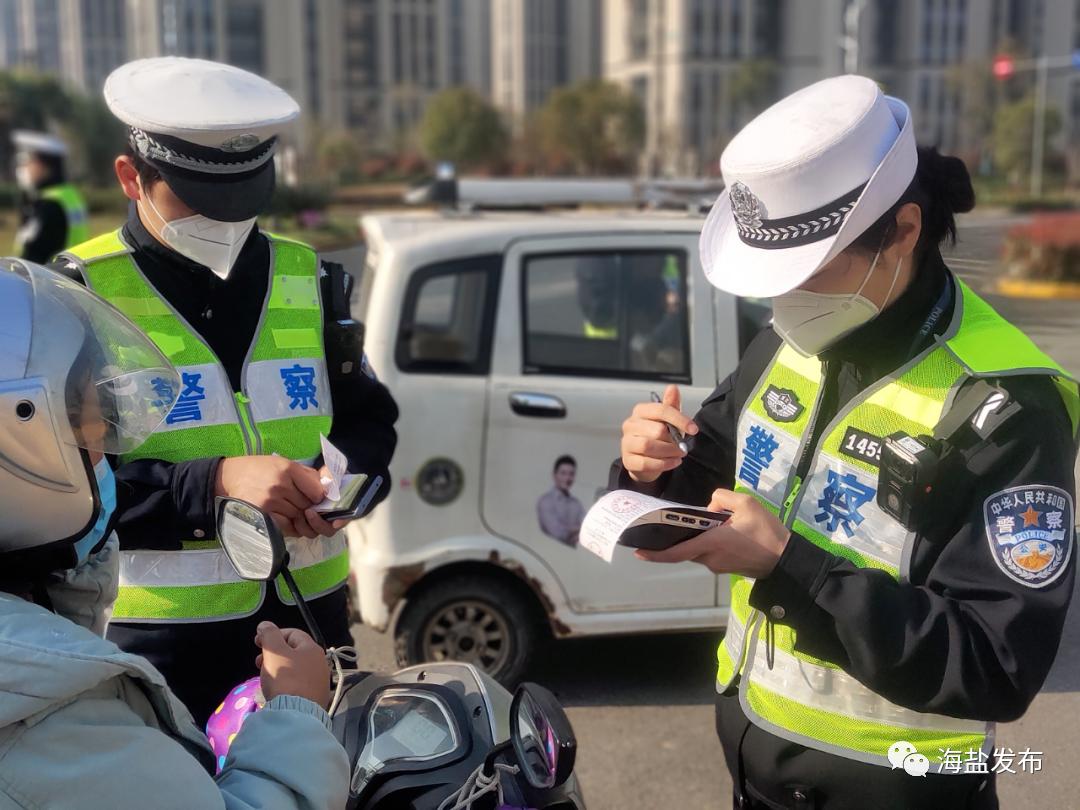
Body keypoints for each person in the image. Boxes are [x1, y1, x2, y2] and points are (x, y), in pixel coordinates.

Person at [614, 75, 1078, 809]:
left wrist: (790, 567)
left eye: (806, 271)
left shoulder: (1006, 404)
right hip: (758, 774)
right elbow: (704, 468)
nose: (783, 300)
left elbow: (996, 663)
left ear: (904, 231)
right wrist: (650, 472)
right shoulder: (788, 340)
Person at [52, 56, 399, 726]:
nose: (227, 222)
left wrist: (346, 486)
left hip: (312, 627)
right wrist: (215, 482)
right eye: (200, 202)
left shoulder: (309, 277)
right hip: (155, 649)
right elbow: (59, 491)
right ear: (131, 177)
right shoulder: (78, 297)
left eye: (244, 202)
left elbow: (369, 422)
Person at [0, 258, 347, 809]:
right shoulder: (53, 716)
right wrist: (298, 714)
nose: (107, 452)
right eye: (94, 433)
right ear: (24, 452)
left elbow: (363, 409)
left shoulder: (306, 271)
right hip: (164, 648)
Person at [11, 130, 89, 262]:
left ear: (44, 166)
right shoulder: (69, 194)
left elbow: (34, 254)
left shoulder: (50, 203)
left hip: (48, 273)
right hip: (70, 269)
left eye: (26, 161)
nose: (23, 168)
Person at [537, 455, 587, 546]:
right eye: (563, 473)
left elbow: (588, 528)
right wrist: (579, 530)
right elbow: (558, 533)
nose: (567, 478)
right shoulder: (545, 502)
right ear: (554, 475)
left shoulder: (576, 504)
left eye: (571, 474)